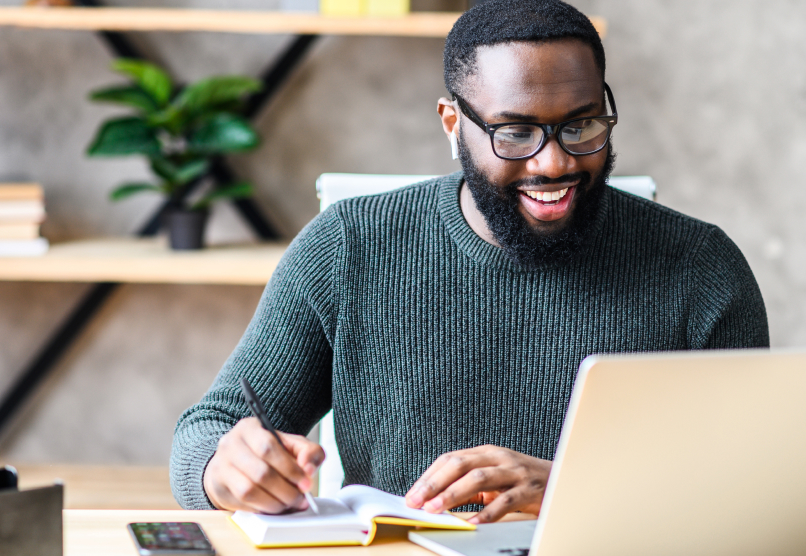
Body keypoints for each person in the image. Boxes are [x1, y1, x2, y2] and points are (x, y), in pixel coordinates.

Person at [171, 0, 769, 524]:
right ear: (453, 124)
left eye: (581, 126)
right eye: (514, 133)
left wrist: (565, 486)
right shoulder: (347, 249)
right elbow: (205, 432)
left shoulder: (701, 269)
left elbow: (758, 491)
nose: (553, 163)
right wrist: (226, 469)